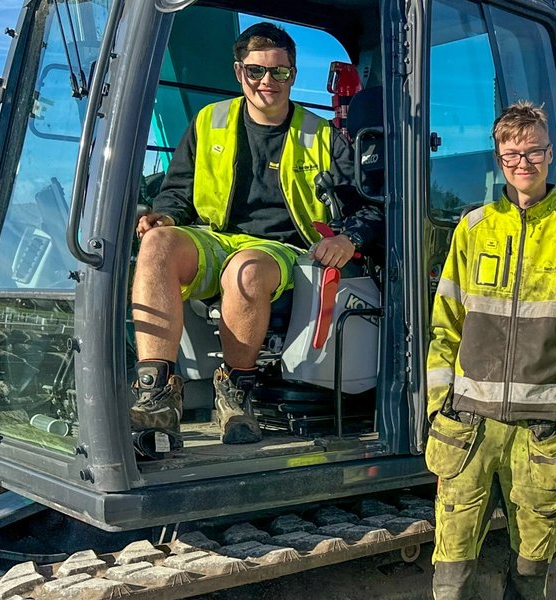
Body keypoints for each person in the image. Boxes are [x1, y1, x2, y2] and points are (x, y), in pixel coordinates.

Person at [129, 22, 381, 445]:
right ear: (238, 72)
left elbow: (367, 205)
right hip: (214, 237)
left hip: (278, 247)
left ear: (293, 75)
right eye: (256, 72)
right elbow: (177, 191)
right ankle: (157, 391)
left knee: (245, 272)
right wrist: (166, 218)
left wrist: (347, 239)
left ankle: (235, 394)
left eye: (279, 72)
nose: (268, 81)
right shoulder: (210, 121)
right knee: (157, 243)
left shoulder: (321, 136)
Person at [424, 101, 556, 599]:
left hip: (540, 432)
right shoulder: (474, 227)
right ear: (498, 159)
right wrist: (440, 405)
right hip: (469, 428)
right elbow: (446, 323)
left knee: (531, 565)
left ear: (551, 156)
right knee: (452, 562)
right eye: (511, 155)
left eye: (533, 152)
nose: (522, 163)